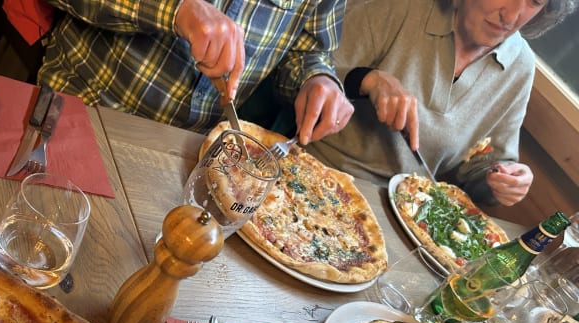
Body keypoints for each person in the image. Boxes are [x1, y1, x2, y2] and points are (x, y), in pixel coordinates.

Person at [306, 0, 578, 206]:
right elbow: (305, 65)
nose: (511, 15)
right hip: (316, 174)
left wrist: (504, 181)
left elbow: (481, 169)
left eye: (534, 1)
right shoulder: (405, 6)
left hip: (407, 213)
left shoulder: (520, 67)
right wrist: (366, 80)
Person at [32, 0, 354, 143]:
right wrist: (176, 8)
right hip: (82, 111)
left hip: (186, 154)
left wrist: (316, 78)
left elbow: (308, 49)